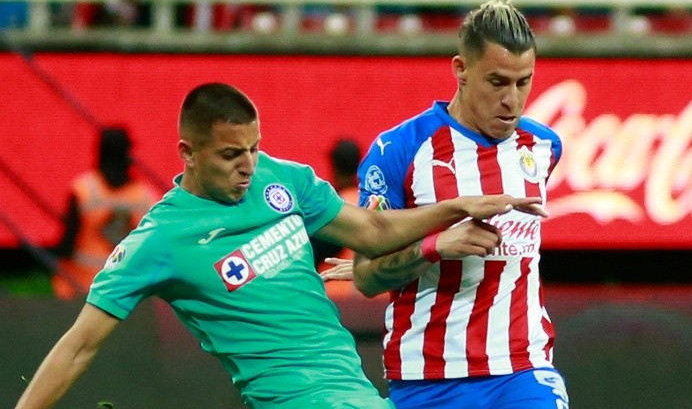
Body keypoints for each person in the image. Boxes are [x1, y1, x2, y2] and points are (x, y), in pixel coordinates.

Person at [15, 82, 547, 409]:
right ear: (188, 153)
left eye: (254, 147)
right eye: (230, 155)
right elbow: (79, 345)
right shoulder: (160, 239)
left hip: (357, 393)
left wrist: (455, 208)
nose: (248, 165)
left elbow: (374, 233)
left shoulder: (283, 181)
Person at [335, 0, 570, 409]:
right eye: (497, 82)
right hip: (428, 378)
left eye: (523, 82)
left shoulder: (544, 146)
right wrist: (434, 245)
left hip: (524, 367)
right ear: (460, 70)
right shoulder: (400, 151)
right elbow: (368, 279)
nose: (512, 100)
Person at [51, 126, 158, 299]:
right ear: (128, 154)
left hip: (79, 290)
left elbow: (66, 246)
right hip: (126, 295)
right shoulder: (145, 198)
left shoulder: (82, 190)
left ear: (99, 152)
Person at [311, 139, 362, 271]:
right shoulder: (372, 204)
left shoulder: (330, 207)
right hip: (374, 287)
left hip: (332, 286)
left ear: (334, 166)